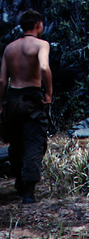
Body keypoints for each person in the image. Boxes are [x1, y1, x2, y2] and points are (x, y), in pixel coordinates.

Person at [0, 10, 52, 204]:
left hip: (12, 100)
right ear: (38, 24)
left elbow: (2, 80)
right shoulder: (41, 44)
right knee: (34, 144)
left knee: (16, 143)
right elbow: (44, 68)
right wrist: (49, 92)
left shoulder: (9, 48)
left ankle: (20, 184)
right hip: (31, 97)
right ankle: (28, 193)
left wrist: (0, 105)